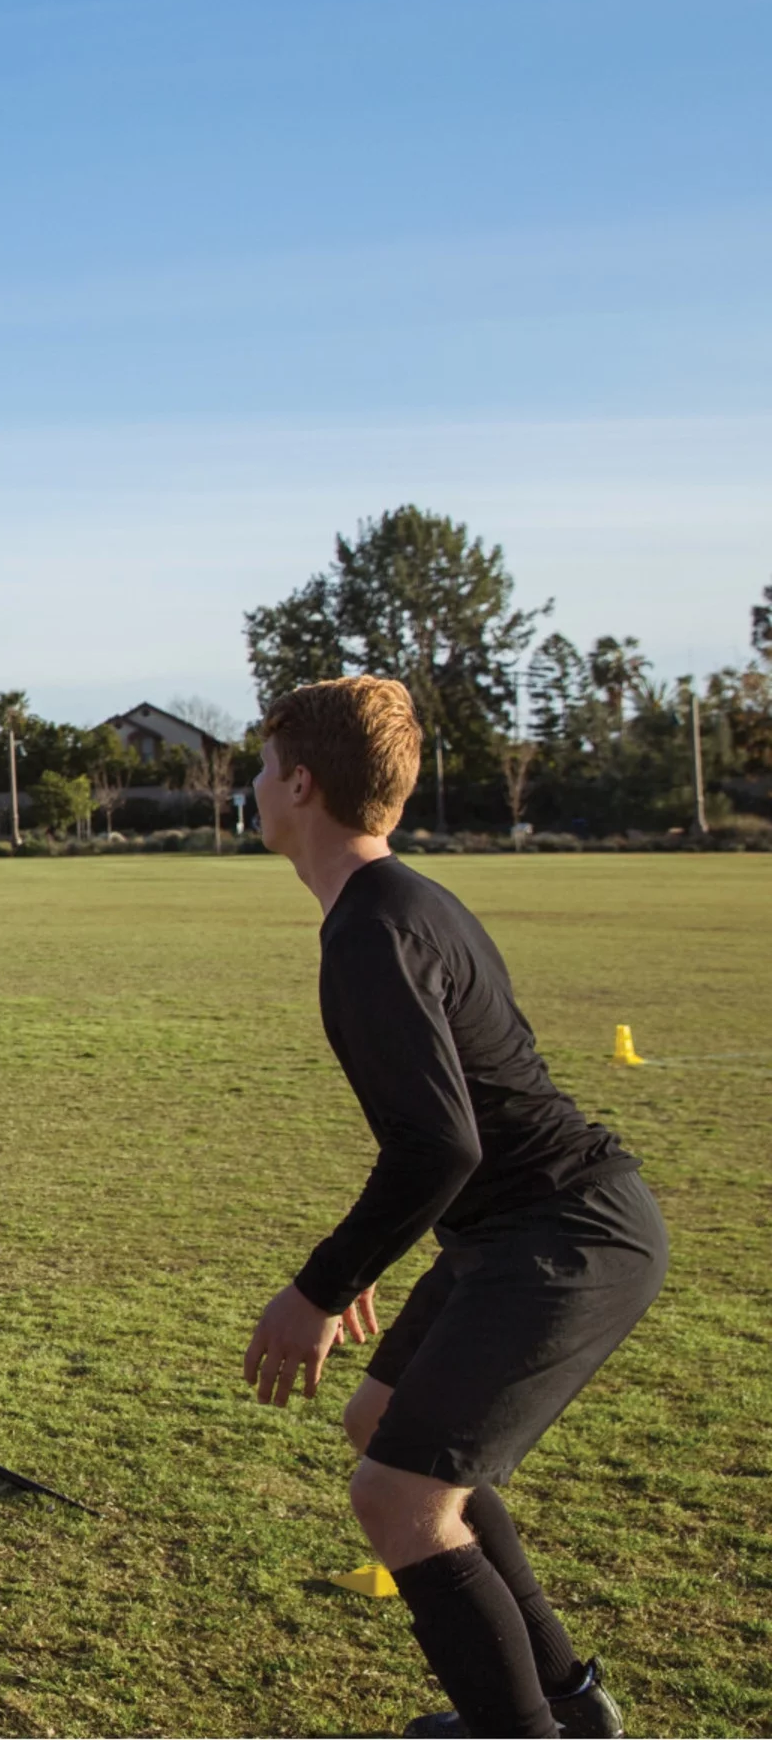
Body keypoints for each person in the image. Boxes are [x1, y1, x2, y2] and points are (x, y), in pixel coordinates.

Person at [241, 676, 663, 1740]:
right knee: (381, 1424)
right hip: (517, 1229)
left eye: (260, 768)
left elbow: (442, 1142)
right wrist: (379, 1244)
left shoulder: (372, 934)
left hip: (564, 1237)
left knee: (396, 1500)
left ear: (302, 783)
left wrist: (319, 1287)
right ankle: (567, 1703)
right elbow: (441, 1134)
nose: (251, 787)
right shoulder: (400, 903)